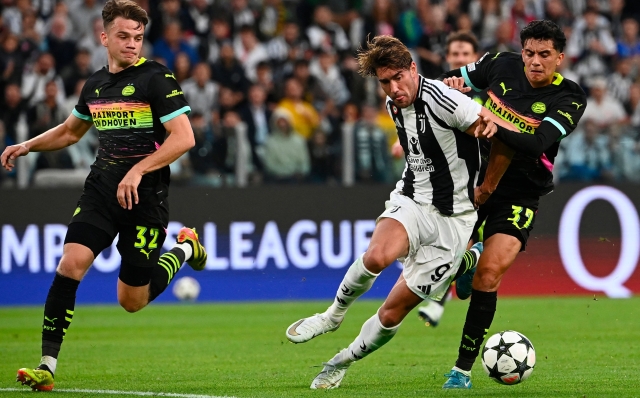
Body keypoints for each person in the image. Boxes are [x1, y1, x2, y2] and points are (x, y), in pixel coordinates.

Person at [284, 35, 516, 390]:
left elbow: (484, 122)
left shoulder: (442, 98)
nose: (393, 88)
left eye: (397, 78)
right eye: (384, 83)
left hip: (454, 219)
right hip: (413, 198)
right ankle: (331, 316)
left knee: (393, 312)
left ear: (413, 69)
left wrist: (488, 126)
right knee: (377, 256)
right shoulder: (395, 104)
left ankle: (340, 361)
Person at [2, 0, 208, 391]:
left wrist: (137, 169)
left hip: (145, 196)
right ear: (104, 37)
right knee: (71, 263)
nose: (132, 44)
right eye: (124, 37)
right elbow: (69, 132)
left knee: (132, 300)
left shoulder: (156, 78)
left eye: (138, 37)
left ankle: (184, 247)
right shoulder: (95, 84)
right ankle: (46, 366)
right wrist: (26, 146)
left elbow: (184, 137)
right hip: (101, 190)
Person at [438, 20, 587, 389]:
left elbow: (537, 143)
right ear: (522, 52)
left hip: (521, 191)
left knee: (489, 275)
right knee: (443, 264)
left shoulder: (570, 96)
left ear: (560, 58)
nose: (535, 62)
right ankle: (464, 262)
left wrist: (485, 121)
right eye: (530, 53)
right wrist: (454, 84)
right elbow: (447, 81)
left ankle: (461, 370)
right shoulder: (500, 64)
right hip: (472, 180)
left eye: (545, 55)